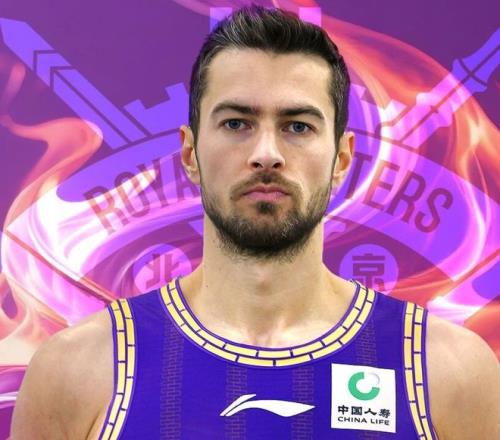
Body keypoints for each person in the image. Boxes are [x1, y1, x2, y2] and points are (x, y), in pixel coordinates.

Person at [11, 6, 499, 439]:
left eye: (298, 126)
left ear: (342, 158)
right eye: (236, 124)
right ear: (189, 153)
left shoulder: (446, 371)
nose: (266, 154)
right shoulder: (78, 371)